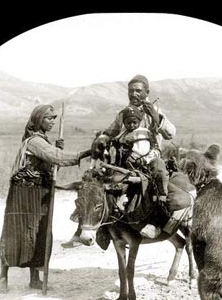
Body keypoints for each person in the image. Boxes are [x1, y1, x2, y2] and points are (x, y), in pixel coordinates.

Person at [64, 75, 176, 245]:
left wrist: (155, 116)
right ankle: (85, 228)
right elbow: (111, 131)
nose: (134, 94)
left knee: (157, 183)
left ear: (147, 92)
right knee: (94, 184)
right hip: (125, 160)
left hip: (149, 160)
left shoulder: (155, 112)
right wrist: (102, 138)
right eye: (131, 91)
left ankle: (156, 221)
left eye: (138, 91)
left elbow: (170, 133)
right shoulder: (123, 114)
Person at [0, 104, 81, 293]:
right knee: (15, 232)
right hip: (23, 193)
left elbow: (51, 164)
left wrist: (55, 151)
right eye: (49, 118)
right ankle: (3, 277)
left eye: (54, 119)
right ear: (38, 119)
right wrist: (83, 154)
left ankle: (34, 279)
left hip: (40, 193)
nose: (52, 122)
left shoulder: (44, 141)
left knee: (39, 232)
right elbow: (57, 158)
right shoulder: (35, 141)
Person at [117, 105, 169, 202]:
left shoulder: (144, 132)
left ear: (139, 122)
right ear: (124, 123)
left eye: (134, 122)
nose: (131, 125)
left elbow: (148, 148)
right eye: (128, 123)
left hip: (148, 159)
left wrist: (141, 157)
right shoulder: (123, 135)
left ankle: (162, 193)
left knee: (159, 167)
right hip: (132, 163)